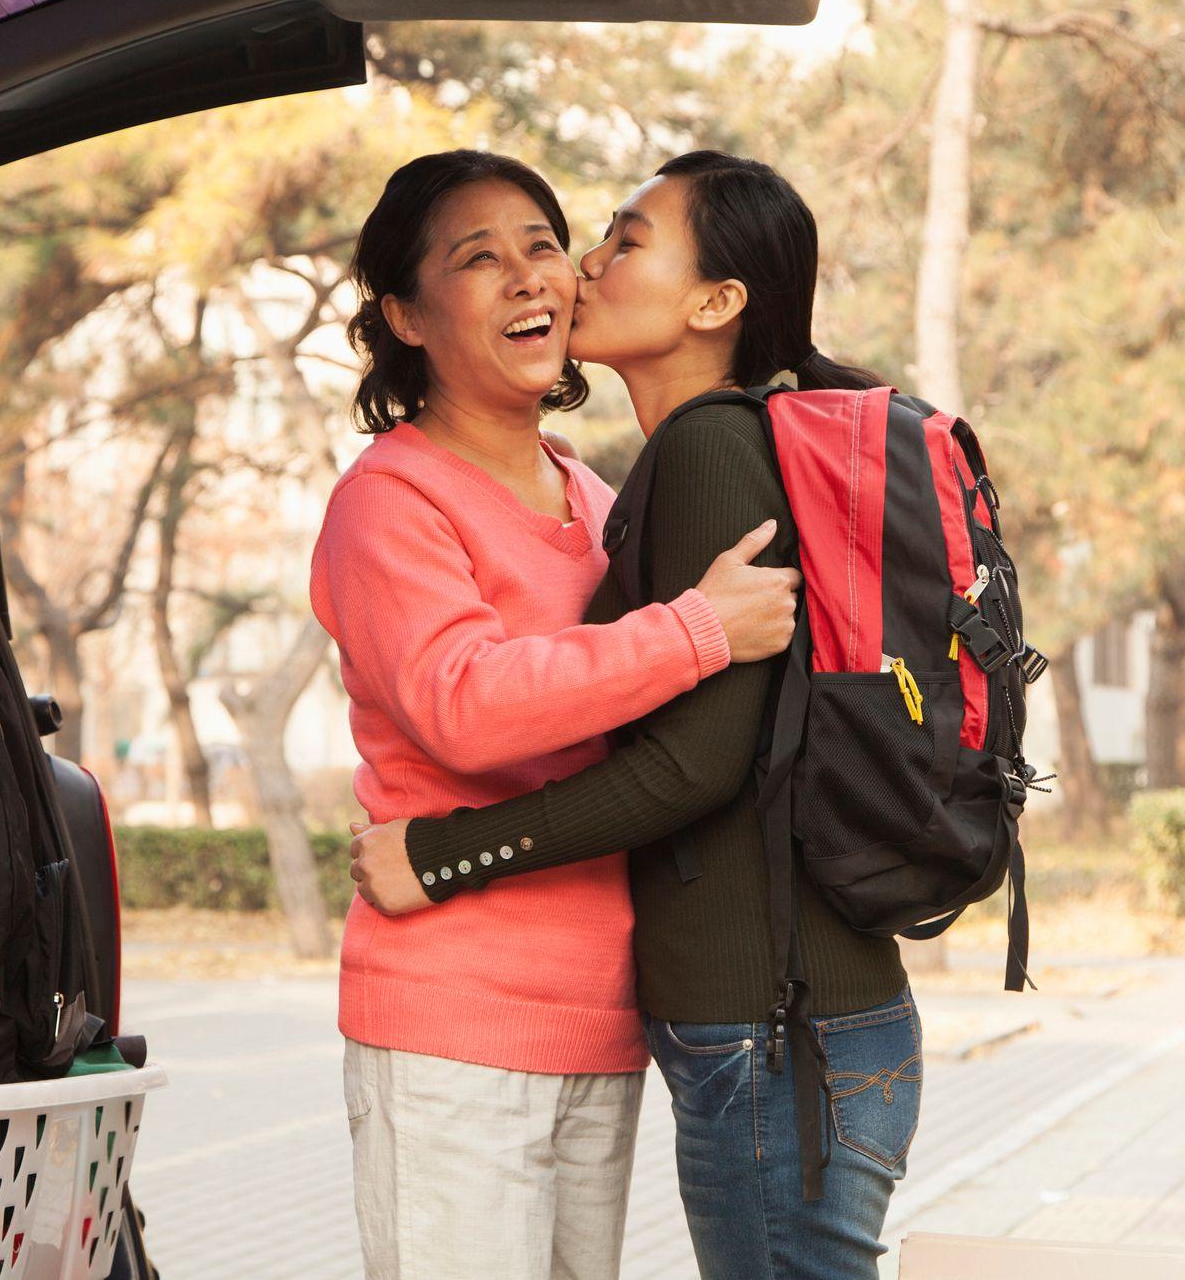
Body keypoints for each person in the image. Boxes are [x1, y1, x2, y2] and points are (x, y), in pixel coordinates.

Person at [351, 151, 920, 1278]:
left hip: (608, 1018)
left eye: (543, 244)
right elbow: (465, 705)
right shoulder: (391, 498)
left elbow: (693, 749)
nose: (542, 275)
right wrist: (694, 631)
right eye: (478, 258)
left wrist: (451, 850)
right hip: (458, 1017)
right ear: (406, 315)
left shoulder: (610, 490)